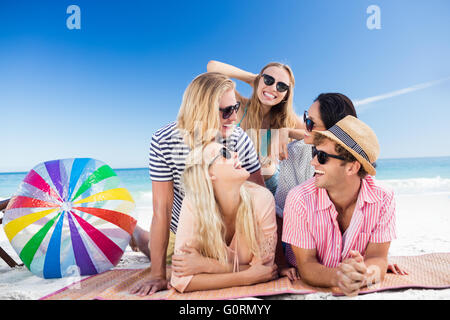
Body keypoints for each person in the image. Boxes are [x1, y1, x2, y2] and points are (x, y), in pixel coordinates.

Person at [129, 72, 265, 295]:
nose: (234, 118)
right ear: (201, 110)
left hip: (227, 234)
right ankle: (136, 233)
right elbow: (161, 210)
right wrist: (157, 275)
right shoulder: (164, 141)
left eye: (236, 107)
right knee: (152, 246)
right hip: (185, 230)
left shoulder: (239, 139)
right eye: (226, 111)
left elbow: (260, 198)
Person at [282, 116, 397, 296]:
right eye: (314, 152)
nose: (313, 162)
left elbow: (378, 258)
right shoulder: (299, 198)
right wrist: (340, 277)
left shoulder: (383, 197)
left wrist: (365, 275)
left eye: (322, 157)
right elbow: (307, 265)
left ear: (351, 168)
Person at [168, 142, 278, 293]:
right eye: (225, 154)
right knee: (149, 245)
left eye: (232, 150)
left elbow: (265, 270)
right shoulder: (194, 203)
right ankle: (137, 235)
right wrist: (246, 277)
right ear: (209, 174)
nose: (236, 154)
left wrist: (206, 265)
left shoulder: (262, 199)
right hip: (170, 234)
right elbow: (180, 281)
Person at [207, 61, 305, 196]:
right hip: (235, 185)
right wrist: (253, 79)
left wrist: (287, 131)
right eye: (268, 80)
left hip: (270, 186)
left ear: (286, 94)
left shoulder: (285, 119)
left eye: (281, 86)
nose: (274, 88)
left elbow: (317, 134)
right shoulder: (238, 106)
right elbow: (212, 67)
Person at [274, 93, 357, 217]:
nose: (305, 126)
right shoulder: (294, 153)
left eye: (311, 123)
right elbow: (281, 210)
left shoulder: (355, 162)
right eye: (306, 119)